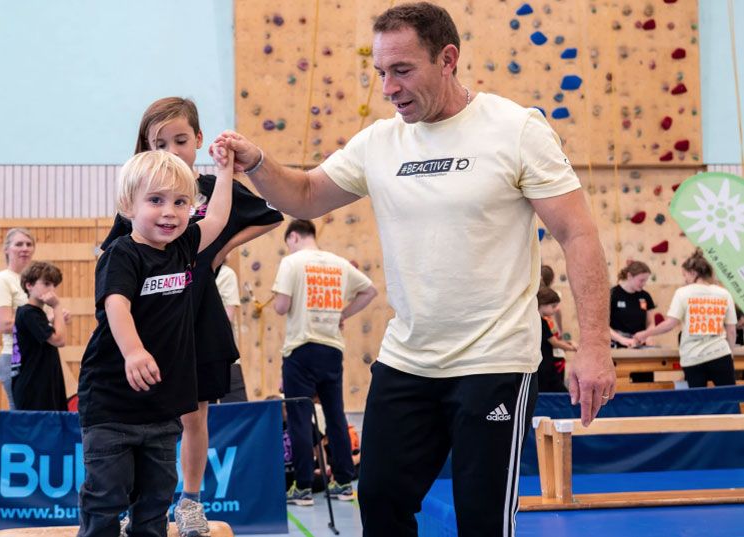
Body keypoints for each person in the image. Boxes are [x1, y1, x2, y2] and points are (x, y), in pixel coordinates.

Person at [211, 3, 615, 534]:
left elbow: (578, 234)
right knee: (379, 501)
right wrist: (259, 163)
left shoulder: (515, 130)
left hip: (494, 361)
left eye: (402, 70)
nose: (389, 88)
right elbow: (306, 194)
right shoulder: (379, 142)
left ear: (447, 59)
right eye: (381, 72)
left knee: (482, 519)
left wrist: (595, 344)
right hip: (408, 359)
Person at [100, 96, 282, 536]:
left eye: (180, 140)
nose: (171, 150)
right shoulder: (144, 197)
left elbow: (269, 215)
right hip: (152, 320)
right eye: (159, 143)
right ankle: (138, 506)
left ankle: (190, 501)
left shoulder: (208, 189)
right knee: (143, 419)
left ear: (198, 139)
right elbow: (113, 257)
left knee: (194, 416)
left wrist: (218, 251)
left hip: (198, 315)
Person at [76, 147, 234, 537]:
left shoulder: (182, 247)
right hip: (113, 405)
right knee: (106, 497)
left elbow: (217, 219)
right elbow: (116, 303)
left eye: (180, 202)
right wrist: (133, 351)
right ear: (127, 206)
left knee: (155, 502)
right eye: (156, 201)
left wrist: (225, 171)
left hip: (162, 409)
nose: (170, 212)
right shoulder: (122, 254)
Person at [271, 219, 377, 506]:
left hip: (301, 348)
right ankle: (343, 483)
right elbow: (370, 291)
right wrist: (343, 314)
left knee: (299, 417)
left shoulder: (291, 262)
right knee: (335, 415)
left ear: (293, 237)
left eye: (288, 243)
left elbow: (281, 306)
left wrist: (283, 298)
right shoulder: (339, 264)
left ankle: (303, 487)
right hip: (331, 348)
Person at [634, 250, 737, 388]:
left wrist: (645, 333)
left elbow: (670, 324)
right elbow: (731, 331)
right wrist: (730, 353)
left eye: (685, 275)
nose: (685, 279)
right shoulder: (724, 293)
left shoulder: (683, 293)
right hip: (720, 354)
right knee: (729, 397)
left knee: (697, 400)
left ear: (693, 273)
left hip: (693, 357)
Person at [0, 228, 35, 409]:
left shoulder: (34, 281)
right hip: (15, 357)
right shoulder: (2, 280)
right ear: (7, 249)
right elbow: (4, 323)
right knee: (22, 416)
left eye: (29, 244)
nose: (25, 248)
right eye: (19, 244)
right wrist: (42, 321)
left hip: (36, 356)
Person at [11, 261, 68, 411]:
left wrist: (55, 320)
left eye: (54, 285)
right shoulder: (29, 313)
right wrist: (57, 306)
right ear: (29, 285)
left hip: (41, 383)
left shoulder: (33, 314)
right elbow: (60, 340)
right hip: (34, 387)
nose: (52, 290)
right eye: (47, 284)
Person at [214, 263, 247, 403]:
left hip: (225, 355)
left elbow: (228, 317)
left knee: (236, 407)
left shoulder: (225, 274)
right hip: (197, 360)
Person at [537, 287, 576, 393]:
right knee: (559, 392)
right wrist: (574, 348)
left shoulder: (539, 321)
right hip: (544, 367)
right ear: (542, 304)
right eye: (553, 306)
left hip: (544, 364)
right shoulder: (541, 322)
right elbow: (554, 342)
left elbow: (549, 339)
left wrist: (568, 343)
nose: (555, 309)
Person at [610, 260, 657, 348]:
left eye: (646, 280)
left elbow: (651, 323)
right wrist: (622, 340)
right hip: (617, 345)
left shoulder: (645, 296)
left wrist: (648, 336)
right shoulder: (613, 294)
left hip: (638, 344)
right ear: (629, 276)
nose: (644, 284)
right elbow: (603, 326)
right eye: (641, 280)